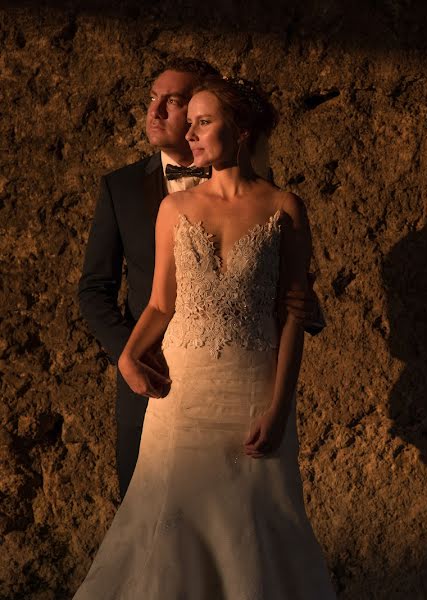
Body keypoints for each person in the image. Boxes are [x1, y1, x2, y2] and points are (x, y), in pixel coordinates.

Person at [73, 76, 337, 597]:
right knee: (166, 534)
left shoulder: (285, 208)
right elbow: (159, 305)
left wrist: (280, 408)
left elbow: (294, 315)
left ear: (240, 130)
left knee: (257, 534)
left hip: (253, 391)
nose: (189, 134)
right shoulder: (173, 210)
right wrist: (129, 357)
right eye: (188, 122)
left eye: (202, 122)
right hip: (183, 395)